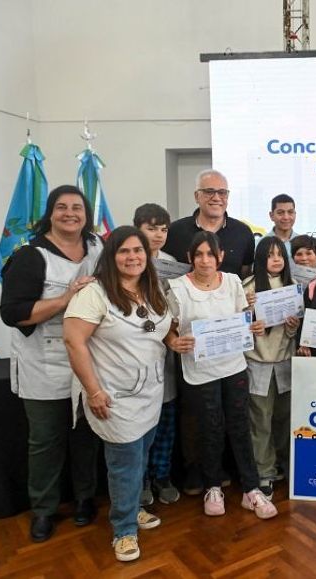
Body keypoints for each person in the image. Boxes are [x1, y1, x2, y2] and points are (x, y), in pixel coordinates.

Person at [0, 185, 102, 543]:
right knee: (46, 440)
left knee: (87, 436)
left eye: (77, 207)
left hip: (88, 359)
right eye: (62, 207)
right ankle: (43, 509)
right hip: (44, 364)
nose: (70, 213)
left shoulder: (97, 249)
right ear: (50, 213)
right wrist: (64, 298)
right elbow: (13, 314)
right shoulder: (30, 256)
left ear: (87, 213)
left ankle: (86, 498)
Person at [64, 226, 171, 562]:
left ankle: (133, 508)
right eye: (124, 251)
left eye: (138, 251)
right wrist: (93, 391)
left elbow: (156, 330)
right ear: (111, 256)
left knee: (140, 456)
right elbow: (73, 340)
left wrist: (174, 340)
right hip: (114, 396)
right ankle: (123, 530)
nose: (132, 257)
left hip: (151, 392)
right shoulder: (94, 292)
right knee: (124, 463)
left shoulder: (151, 289)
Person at [165, 232, 278, 519]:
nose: (205, 260)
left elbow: (244, 317)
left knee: (240, 426)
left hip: (233, 365)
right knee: (210, 428)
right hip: (199, 370)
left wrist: (254, 327)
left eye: (210, 254)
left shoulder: (232, 282)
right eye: (199, 254)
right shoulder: (177, 288)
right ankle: (212, 486)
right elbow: (162, 326)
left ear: (220, 257)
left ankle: (251, 490)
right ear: (190, 257)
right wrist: (172, 341)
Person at [243, 237, 300, 499]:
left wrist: (291, 324)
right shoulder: (248, 288)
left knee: (284, 419)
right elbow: (237, 329)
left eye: (280, 255)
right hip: (258, 363)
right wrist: (249, 319)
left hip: (285, 362)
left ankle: (285, 466)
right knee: (260, 421)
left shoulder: (294, 287)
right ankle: (264, 472)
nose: (276, 259)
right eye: (270, 255)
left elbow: (294, 332)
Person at [132, 204, 181, 506]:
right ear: (137, 227)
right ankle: (141, 480)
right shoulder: (124, 262)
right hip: (135, 354)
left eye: (163, 229)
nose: (158, 234)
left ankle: (161, 475)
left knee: (166, 418)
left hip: (168, 352)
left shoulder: (172, 263)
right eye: (151, 228)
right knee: (140, 423)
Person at [164, 169, 255, 279]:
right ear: (197, 196)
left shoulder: (243, 232)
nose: (216, 198)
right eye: (209, 192)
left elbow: (245, 275)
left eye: (222, 192)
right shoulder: (175, 231)